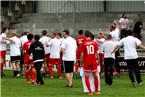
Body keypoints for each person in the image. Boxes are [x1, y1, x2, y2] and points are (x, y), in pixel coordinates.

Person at [80, 30, 100, 95]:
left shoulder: (83, 43)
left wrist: (80, 63)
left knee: (87, 76)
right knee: (95, 76)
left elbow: (82, 54)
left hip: (86, 62)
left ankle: (90, 92)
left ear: (85, 35)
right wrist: (98, 61)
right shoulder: (94, 43)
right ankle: (96, 91)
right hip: (94, 61)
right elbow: (97, 53)